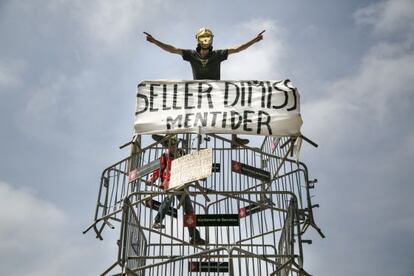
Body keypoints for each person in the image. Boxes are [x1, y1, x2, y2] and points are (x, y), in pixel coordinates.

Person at [144, 28, 265, 147]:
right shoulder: (192, 54)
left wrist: (254, 40)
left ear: (211, 40)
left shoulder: (217, 54)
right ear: (198, 40)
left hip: (215, 93)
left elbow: (237, 49)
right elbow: (173, 50)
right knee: (179, 109)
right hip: (198, 93)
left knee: (232, 109)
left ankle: (235, 139)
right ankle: (169, 137)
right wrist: (155, 41)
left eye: (208, 38)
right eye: (203, 38)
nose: (206, 41)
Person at [146, 135, 206, 245]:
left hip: (181, 183)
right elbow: (158, 170)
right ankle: (157, 221)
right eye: (171, 145)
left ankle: (194, 237)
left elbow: (190, 165)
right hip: (170, 183)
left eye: (174, 145)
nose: (173, 147)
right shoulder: (165, 156)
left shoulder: (181, 153)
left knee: (189, 210)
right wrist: (152, 179)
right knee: (168, 200)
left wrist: (200, 174)